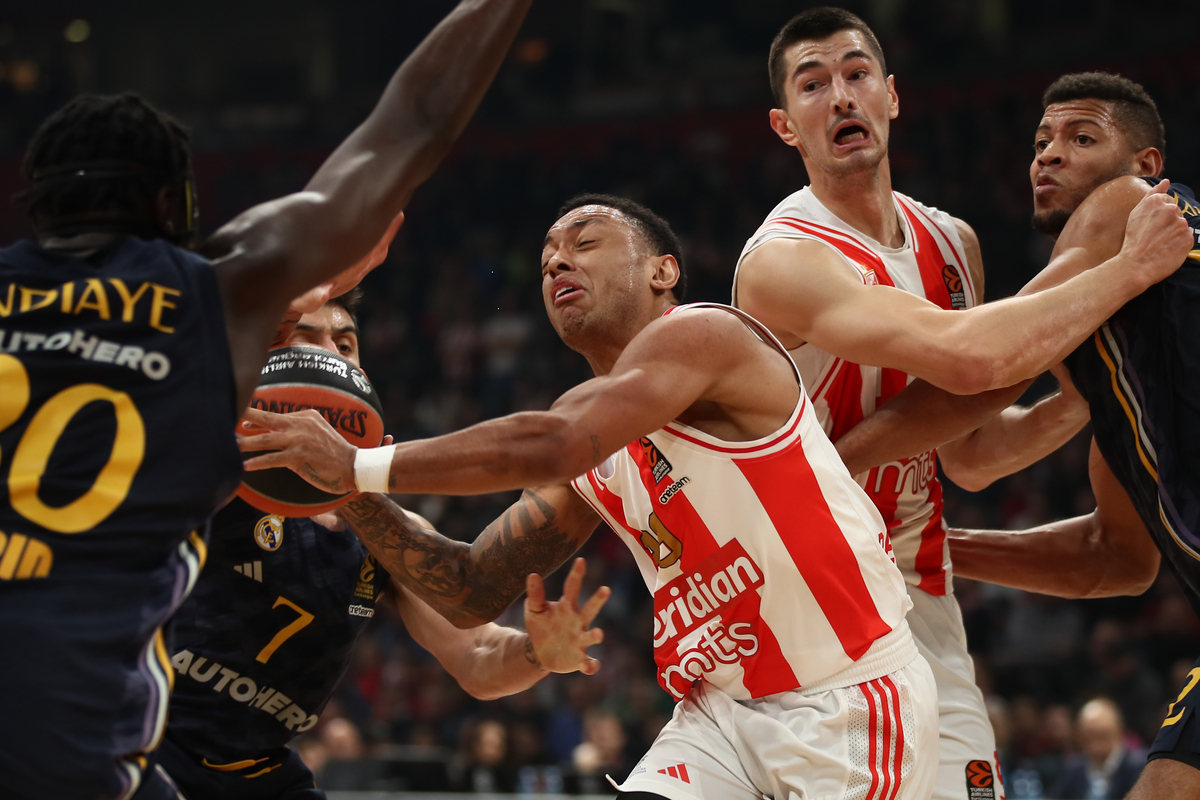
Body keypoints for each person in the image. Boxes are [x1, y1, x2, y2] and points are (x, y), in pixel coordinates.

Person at [240, 194, 942, 800]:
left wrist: (358, 465)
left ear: (663, 271)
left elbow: (559, 442)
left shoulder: (705, 335)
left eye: (585, 242)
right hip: (720, 713)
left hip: (846, 699)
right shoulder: (586, 421)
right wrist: (341, 485)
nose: (556, 262)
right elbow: (471, 588)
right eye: (547, 253)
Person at [0, 1, 533, 798]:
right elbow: (414, 120)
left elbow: (475, 644)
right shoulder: (212, 299)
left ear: (35, 209)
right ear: (172, 212)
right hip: (90, 727)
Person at [728, 10, 1192, 800]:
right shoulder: (784, 259)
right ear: (785, 124)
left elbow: (969, 451)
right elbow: (976, 368)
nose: (840, 97)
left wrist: (1082, 394)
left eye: (856, 74)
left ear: (892, 95)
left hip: (918, 597)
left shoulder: (956, 242)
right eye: (814, 85)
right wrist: (1108, 311)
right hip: (814, 590)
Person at [838, 72, 1200, 799]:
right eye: (1041, 142)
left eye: (1081, 138)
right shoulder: (1137, 367)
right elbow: (1114, 557)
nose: (1049, 155)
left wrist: (824, 467)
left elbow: (989, 362)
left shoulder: (1126, 205)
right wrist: (937, 549)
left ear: (1147, 166)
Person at [159, 291, 609, 798]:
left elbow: (478, 654)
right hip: (136, 740)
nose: (329, 352)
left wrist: (538, 653)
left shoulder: (379, 526)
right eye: (305, 339)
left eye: (346, 345)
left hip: (256, 771)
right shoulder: (209, 461)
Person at [1051, 699, 1145, 799]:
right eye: (1087, 738)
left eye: (1101, 736)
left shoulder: (1139, 768)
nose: (1095, 745)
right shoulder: (1074, 769)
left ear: (1119, 732)